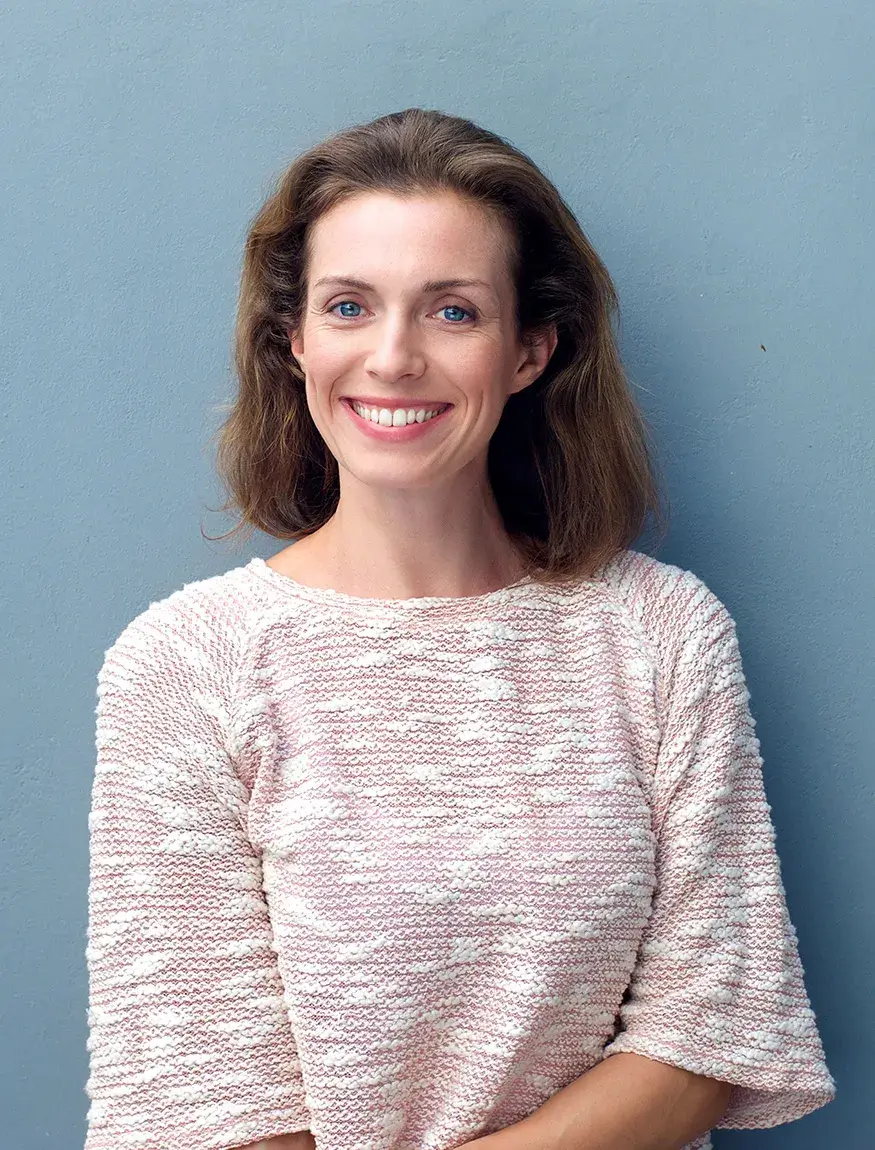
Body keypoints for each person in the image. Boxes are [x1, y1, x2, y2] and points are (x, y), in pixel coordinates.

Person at [84, 108, 836, 1150]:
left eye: (450, 312)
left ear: (528, 349)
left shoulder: (660, 634)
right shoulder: (185, 666)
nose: (391, 358)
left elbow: (711, 1029)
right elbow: (198, 1091)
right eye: (349, 305)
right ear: (294, 339)